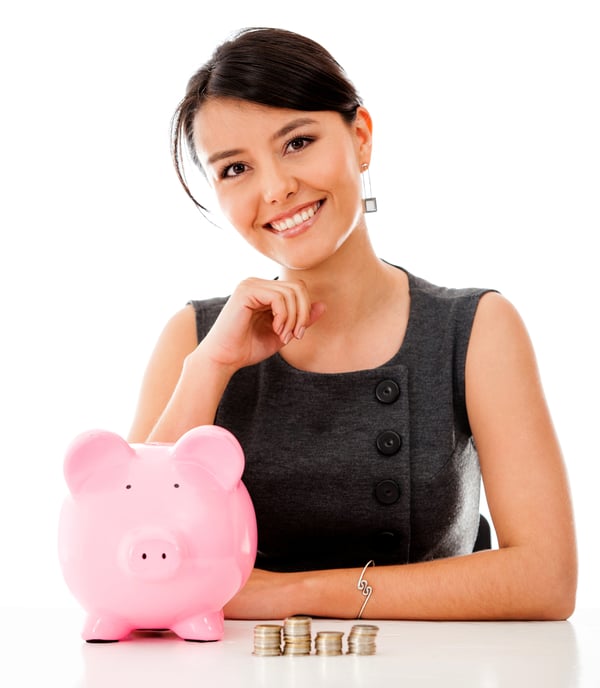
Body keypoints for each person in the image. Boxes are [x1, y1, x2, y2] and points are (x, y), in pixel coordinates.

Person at [128, 27, 577, 620]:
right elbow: (126, 564)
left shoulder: (475, 329)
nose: (277, 187)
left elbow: (546, 579)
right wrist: (211, 368)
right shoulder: (194, 338)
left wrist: (292, 594)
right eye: (235, 169)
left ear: (360, 137)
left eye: (297, 142)